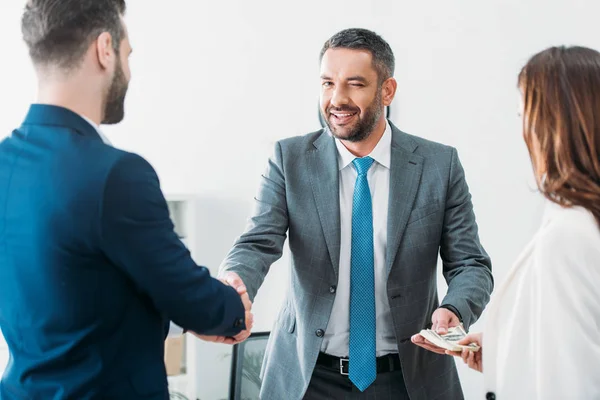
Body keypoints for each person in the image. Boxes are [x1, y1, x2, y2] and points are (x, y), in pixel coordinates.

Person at [217, 28, 493, 400]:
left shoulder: (438, 165)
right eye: (328, 83)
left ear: (387, 91)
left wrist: (454, 309)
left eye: (355, 84)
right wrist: (235, 282)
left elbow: (471, 263)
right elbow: (257, 243)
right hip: (308, 377)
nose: (337, 98)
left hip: (408, 378)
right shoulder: (290, 159)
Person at [0, 1, 251, 399]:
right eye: (128, 54)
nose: (129, 70)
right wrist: (229, 309)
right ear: (105, 49)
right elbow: (188, 295)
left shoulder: (5, 162)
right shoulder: (115, 174)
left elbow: (75, 297)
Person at [442, 46, 600, 400]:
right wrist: (506, 352)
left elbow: (575, 384)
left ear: (552, 126)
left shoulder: (570, 236)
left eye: (523, 115)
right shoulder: (582, 221)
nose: (523, 132)